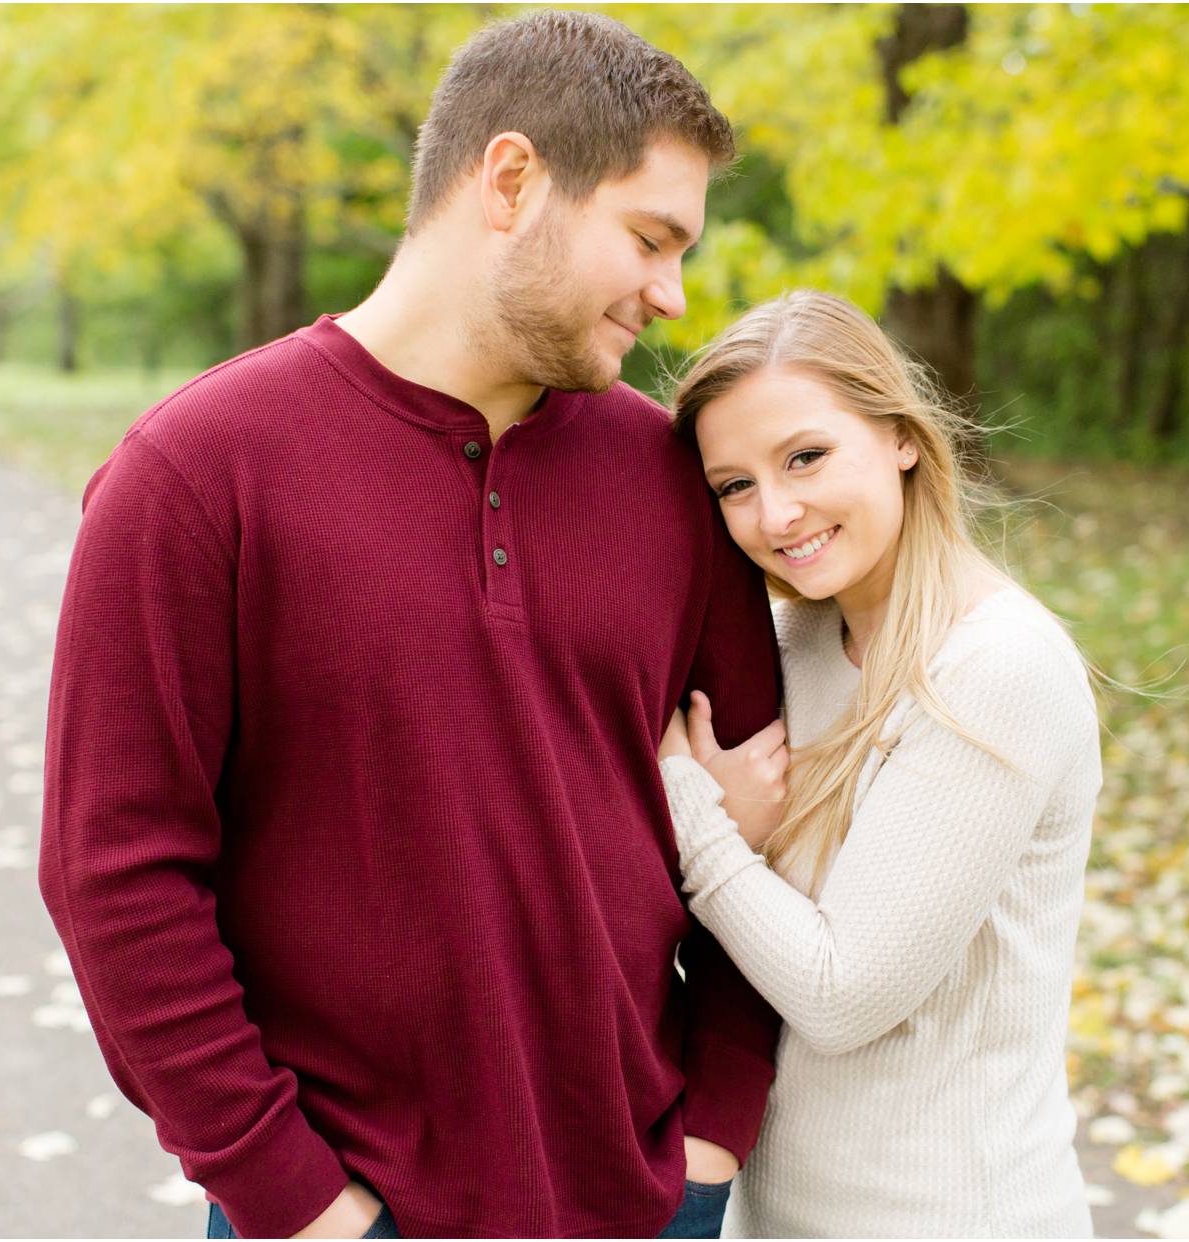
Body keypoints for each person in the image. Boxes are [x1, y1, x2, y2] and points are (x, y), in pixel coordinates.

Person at [38, 12, 783, 1239]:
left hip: (645, 1196)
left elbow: (778, 813)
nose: (673, 293)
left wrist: (711, 1132)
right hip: (344, 1207)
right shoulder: (198, 472)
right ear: (510, 180)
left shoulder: (669, 481)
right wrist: (296, 1198)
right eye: (650, 239)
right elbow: (114, 873)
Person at [655, 290, 1102, 1237]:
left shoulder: (993, 667)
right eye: (734, 486)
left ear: (900, 435)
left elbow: (840, 993)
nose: (776, 513)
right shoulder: (792, 639)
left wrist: (691, 813)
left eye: (805, 457)